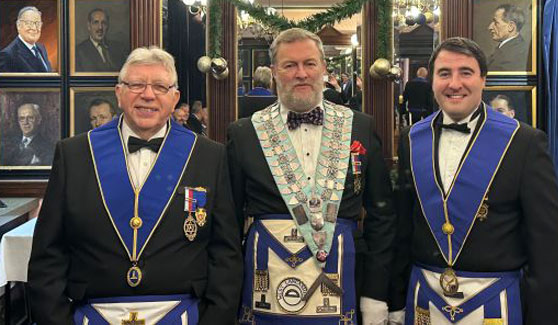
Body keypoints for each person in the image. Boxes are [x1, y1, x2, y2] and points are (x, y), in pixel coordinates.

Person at [28, 47, 243, 324]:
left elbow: (225, 253)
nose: (148, 94)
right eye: (136, 85)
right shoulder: (75, 154)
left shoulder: (209, 156)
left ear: (175, 97)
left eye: (159, 86)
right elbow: (48, 254)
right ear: (119, 93)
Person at [388, 37, 558, 324]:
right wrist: (394, 299)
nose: (454, 83)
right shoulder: (411, 139)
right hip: (424, 303)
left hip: (496, 305)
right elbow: (403, 229)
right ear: (431, 81)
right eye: (444, 73)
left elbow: (546, 245)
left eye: (466, 73)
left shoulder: (524, 142)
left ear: (483, 79)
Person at [228, 28, 396, 325]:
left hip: (344, 282)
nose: (301, 73)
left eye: (309, 64)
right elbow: (227, 225)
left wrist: (375, 294)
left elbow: (383, 219)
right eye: (289, 65)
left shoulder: (360, 127)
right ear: (275, 73)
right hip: (264, 288)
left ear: (324, 68)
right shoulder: (244, 133)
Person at [0, 6, 52, 73]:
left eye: (38, 23)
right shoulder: (8, 55)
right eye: (29, 23)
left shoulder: (41, 48)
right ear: (18, 25)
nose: (34, 28)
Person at [487, 4, 530, 71]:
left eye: (496, 22)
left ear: (511, 26)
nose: (490, 27)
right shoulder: (512, 47)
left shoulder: (515, 53)